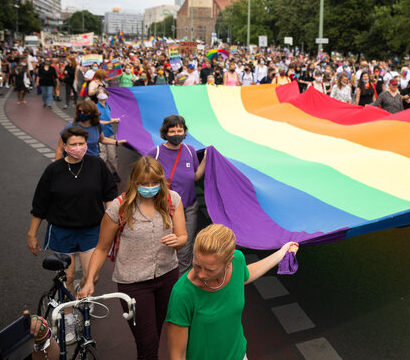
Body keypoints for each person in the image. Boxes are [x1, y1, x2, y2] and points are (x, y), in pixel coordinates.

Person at [78, 156, 187, 359]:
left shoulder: (172, 200)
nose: (150, 187)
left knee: (156, 332)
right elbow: (102, 248)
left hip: (168, 277)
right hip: (134, 283)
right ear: (135, 182)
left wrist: (178, 241)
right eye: (144, 183)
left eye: (154, 182)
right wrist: (89, 281)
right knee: (147, 343)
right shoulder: (119, 207)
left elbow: (183, 236)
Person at [28, 126, 118, 343]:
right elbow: (39, 204)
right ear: (64, 146)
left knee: (91, 276)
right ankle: (69, 319)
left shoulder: (97, 165)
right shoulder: (53, 171)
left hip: (91, 230)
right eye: (73, 145)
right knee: (67, 277)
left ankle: (82, 296)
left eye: (82, 144)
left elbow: (110, 195)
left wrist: (115, 223)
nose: (78, 148)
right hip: (62, 231)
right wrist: (32, 234)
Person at [166, 224, 299, 360]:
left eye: (210, 270)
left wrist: (281, 253)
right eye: (197, 265)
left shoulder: (238, 261)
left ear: (229, 261)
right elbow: (178, 355)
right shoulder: (182, 294)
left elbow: (245, 273)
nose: (201, 274)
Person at [146, 115, 207, 273]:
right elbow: (143, 178)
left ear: (184, 132)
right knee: (165, 245)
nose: (176, 134)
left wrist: (206, 158)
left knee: (185, 246)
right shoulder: (155, 153)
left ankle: (181, 281)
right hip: (165, 209)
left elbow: (195, 176)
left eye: (179, 130)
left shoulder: (189, 150)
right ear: (165, 133)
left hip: (189, 208)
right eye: (172, 131)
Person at [55, 100, 125, 159]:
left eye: (85, 112)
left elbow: (102, 139)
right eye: (80, 111)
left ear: (92, 113)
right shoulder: (71, 127)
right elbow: (60, 149)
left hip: (93, 161)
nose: (82, 113)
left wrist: (118, 142)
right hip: (74, 161)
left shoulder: (98, 126)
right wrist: (57, 169)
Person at [96, 90, 121, 180]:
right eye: (99, 93)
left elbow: (109, 117)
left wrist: (115, 119)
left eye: (103, 93)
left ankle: (114, 172)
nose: (101, 94)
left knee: (112, 156)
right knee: (103, 156)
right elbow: (97, 121)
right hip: (100, 134)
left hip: (109, 134)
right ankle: (102, 175)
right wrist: (111, 121)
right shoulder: (95, 107)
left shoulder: (108, 106)